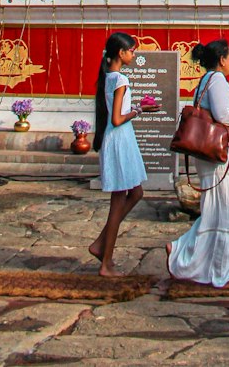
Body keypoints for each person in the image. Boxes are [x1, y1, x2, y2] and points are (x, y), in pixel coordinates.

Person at [167, 38, 229, 289]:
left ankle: (184, 251)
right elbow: (225, 116)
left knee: (218, 212)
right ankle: (224, 274)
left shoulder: (206, 82)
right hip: (223, 160)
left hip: (216, 158)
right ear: (221, 60)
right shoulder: (217, 82)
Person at [89, 31, 147, 275]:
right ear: (121, 53)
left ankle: (101, 243)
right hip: (120, 139)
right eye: (131, 50)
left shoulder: (108, 77)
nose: (133, 54)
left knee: (136, 192)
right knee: (118, 202)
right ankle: (106, 262)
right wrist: (138, 111)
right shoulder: (120, 80)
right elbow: (117, 118)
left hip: (116, 139)